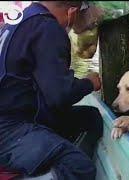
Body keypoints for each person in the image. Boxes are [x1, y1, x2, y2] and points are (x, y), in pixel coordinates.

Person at [0, 1, 103, 180]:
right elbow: (59, 95)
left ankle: (52, 162)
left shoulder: (21, 20)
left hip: (21, 114)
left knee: (90, 118)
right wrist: (89, 83)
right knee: (78, 167)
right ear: (72, 12)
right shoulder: (48, 28)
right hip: (9, 129)